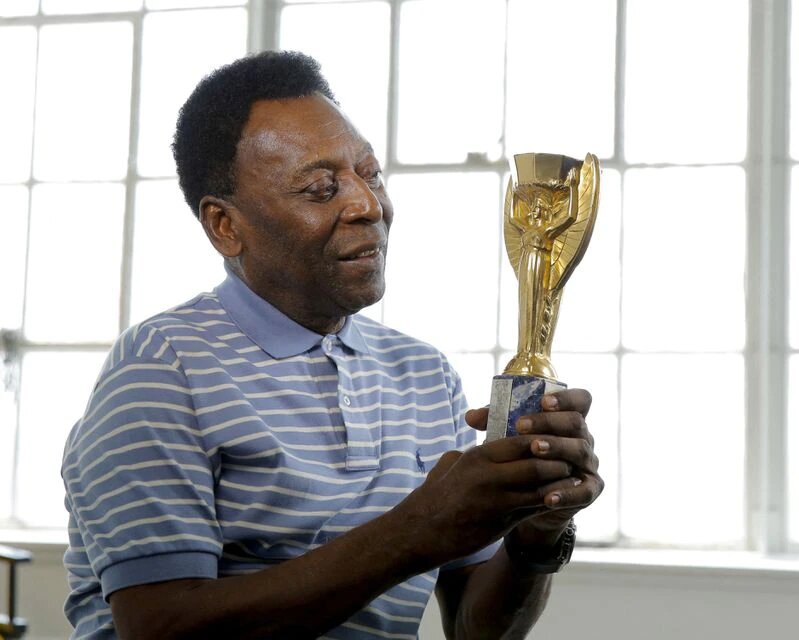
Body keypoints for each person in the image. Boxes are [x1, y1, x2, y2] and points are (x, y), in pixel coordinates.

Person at [61, 50, 603, 640]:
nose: (368, 206)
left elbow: (475, 628)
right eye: (321, 189)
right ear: (224, 225)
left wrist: (536, 527)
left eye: (369, 175)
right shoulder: (162, 369)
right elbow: (159, 627)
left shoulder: (424, 374)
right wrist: (418, 529)